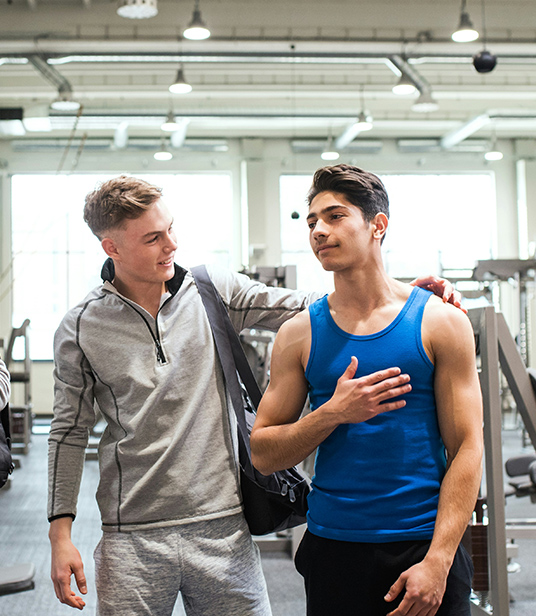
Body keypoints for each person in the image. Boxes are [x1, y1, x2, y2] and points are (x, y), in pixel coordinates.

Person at [47, 174, 463, 616]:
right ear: (112, 248)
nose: (171, 245)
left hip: (224, 527)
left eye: (171, 229)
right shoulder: (81, 327)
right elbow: (68, 432)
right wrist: (60, 535)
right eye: (153, 238)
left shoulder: (210, 290)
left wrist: (402, 298)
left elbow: (311, 306)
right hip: (130, 536)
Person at [250, 164, 483, 616]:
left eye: (335, 216)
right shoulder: (298, 335)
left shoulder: (441, 322)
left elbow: (468, 447)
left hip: (423, 544)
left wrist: (438, 560)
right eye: (312, 220)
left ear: (378, 225)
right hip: (334, 548)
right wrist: (331, 413)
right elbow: (263, 453)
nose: (318, 230)